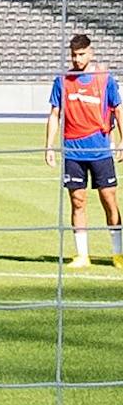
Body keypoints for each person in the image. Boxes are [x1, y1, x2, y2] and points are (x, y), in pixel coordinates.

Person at [47, 32, 123, 270]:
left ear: (91, 52)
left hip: (100, 150)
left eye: (81, 54)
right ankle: (82, 255)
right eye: (74, 55)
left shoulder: (105, 79)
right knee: (77, 202)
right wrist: (49, 146)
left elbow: (118, 109)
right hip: (73, 151)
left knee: (109, 200)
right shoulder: (62, 81)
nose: (77, 59)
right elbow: (54, 114)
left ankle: (118, 254)